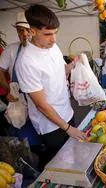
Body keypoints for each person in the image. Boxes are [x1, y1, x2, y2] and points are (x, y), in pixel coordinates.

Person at [16, 4, 85, 164]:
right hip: (50, 125)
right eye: (47, 34)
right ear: (32, 31)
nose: (53, 39)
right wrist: (68, 129)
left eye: (55, 33)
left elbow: (61, 70)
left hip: (67, 112)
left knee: (74, 156)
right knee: (61, 163)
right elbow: (41, 105)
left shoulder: (53, 47)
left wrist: (75, 66)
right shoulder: (26, 61)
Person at [0, 12, 41, 148]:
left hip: (38, 97)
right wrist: (8, 90)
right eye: (20, 31)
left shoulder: (42, 50)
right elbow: (0, 71)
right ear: (17, 32)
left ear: (33, 30)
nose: (24, 34)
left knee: (40, 130)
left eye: (27, 30)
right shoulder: (11, 50)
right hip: (19, 98)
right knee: (22, 135)